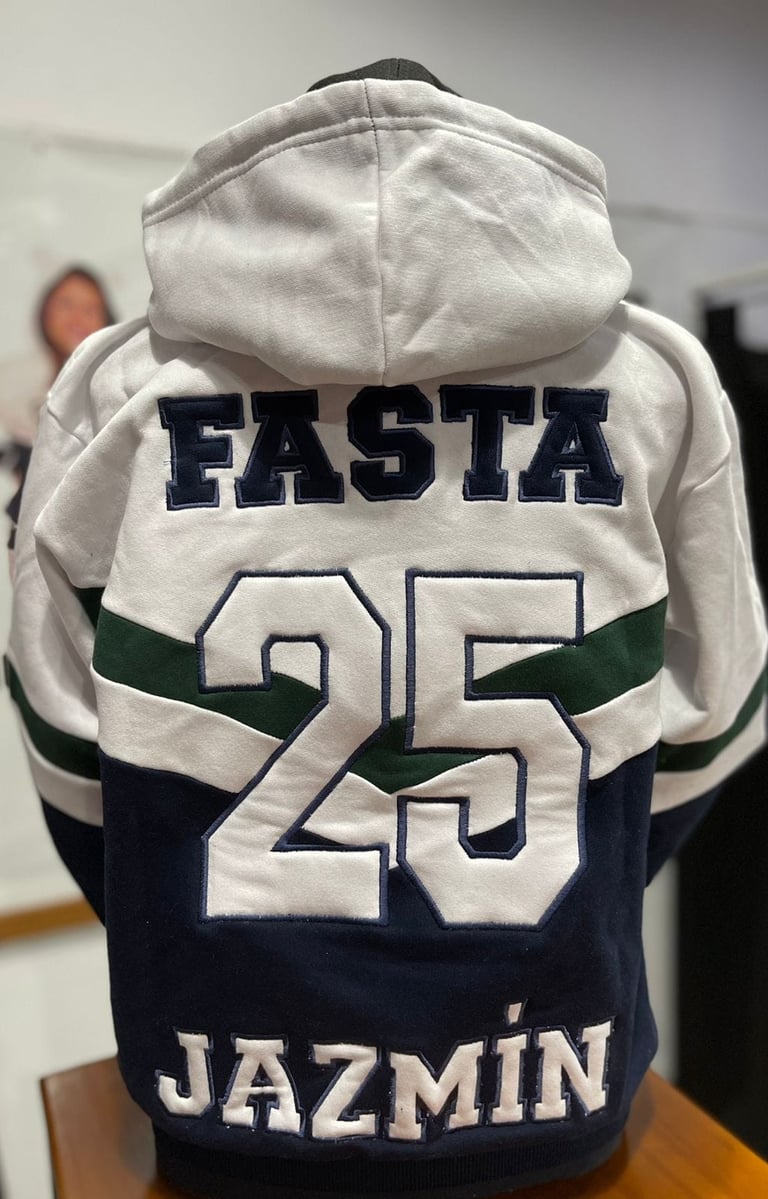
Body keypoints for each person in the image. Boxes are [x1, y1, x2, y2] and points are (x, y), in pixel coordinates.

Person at [6, 59, 767, 1198]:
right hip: (562, 1069)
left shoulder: (120, 392)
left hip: (220, 1095)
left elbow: (63, 731)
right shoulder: (658, 380)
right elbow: (715, 711)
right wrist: (586, 873)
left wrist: (180, 913)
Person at [3, 266, 114, 552]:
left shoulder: (114, 386)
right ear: (44, 312)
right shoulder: (12, 381)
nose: (77, 317)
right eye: (65, 304)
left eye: (90, 309)